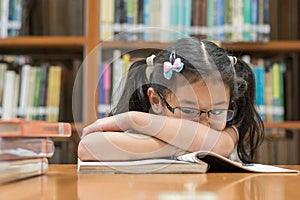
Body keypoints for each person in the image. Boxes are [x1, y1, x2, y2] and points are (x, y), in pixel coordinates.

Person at [78, 37, 264, 163]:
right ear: (156, 101)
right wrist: (188, 146)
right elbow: (88, 147)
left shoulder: (233, 128)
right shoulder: (148, 130)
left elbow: (218, 144)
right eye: (190, 110)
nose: (204, 123)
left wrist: (133, 119)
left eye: (216, 111)